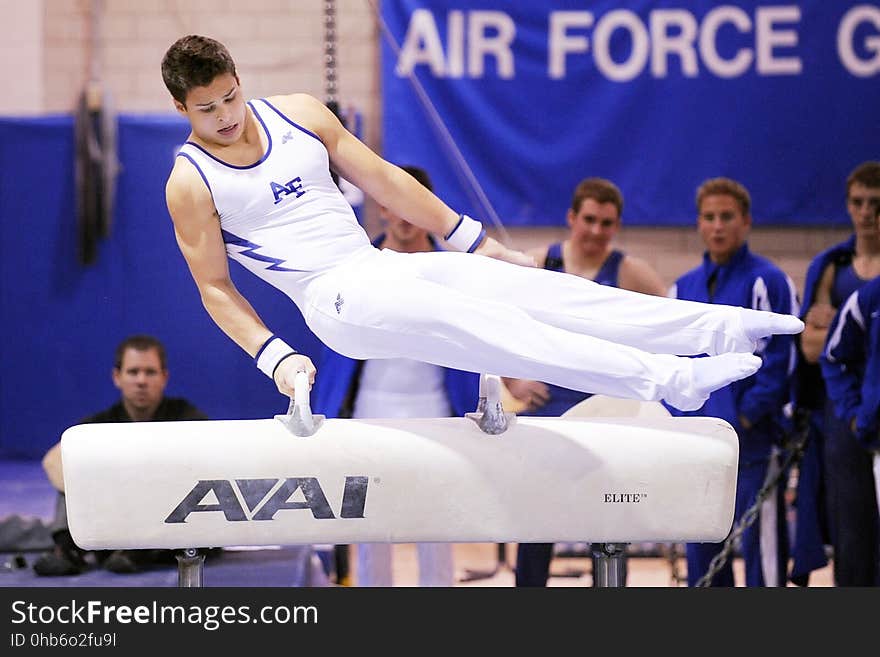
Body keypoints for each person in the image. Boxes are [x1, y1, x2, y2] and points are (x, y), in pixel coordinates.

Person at [160, 35, 803, 431]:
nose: (224, 117)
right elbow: (215, 288)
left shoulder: (298, 113)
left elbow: (385, 180)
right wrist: (275, 356)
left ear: (240, 80)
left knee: (537, 291)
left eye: (230, 98)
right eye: (206, 109)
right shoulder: (190, 183)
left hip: (377, 269)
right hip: (333, 302)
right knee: (492, 329)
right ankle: (665, 380)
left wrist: (472, 239)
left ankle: (713, 328)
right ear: (182, 109)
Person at [311, 165, 480, 586]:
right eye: (394, 207)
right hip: (371, 410)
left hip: (439, 412)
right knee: (371, 526)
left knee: (438, 525)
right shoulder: (353, 267)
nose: (404, 219)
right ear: (382, 209)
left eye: (412, 209)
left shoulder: (454, 276)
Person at [510, 177, 666, 587]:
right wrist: (514, 381)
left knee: (610, 520)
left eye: (607, 223)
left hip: (606, 415)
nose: (597, 231)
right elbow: (494, 328)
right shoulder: (538, 263)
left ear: (617, 226)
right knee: (536, 522)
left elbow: (671, 332)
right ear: (571, 218)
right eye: (590, 220)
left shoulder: (630, 272)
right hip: (548, 409)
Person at [668, 177, 798, 587]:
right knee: (704, 555)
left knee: (763, 554)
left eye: (727, 217)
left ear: (746, 222)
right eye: (709, 217)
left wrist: (746, 416)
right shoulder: (682, 288)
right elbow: (670, 361)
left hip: (753, 443)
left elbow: (781, 360)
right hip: (700, 446)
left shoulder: (768, 281)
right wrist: (680, 419)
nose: (717, 226)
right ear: (699, 224)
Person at [33, 335, 208, 576]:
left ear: (164, 377)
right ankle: (67, 551)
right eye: (133, 372)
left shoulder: (186, 417)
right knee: (74, 468)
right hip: (114, 516)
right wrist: (106, 491)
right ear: (117, 377)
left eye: (150, 372)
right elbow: (53, 461)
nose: (141, 381)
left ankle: (138, 551)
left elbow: (207, 464)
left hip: (167, 522)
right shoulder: (99, 425)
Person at [792, 162, 880, 586]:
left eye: (875, 204)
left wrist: (838, 334)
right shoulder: (831, 267)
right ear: (847, 205)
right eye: (858, 203)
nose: (866, 213)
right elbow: (810, 350)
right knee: (851, 526)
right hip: (843, 409)